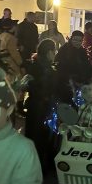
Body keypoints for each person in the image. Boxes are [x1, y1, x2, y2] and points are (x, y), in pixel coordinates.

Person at [25, 39, 57, 173]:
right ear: (49, 52)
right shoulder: (44, 67)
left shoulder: (37, 64)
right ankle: (40, 166)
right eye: (54, 51)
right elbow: (41, 86)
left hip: (36, 105)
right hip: (41, 106)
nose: (55, 53)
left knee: (35, 136)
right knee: (41, 136)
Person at [55, 30, 92, 103]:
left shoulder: (82, 51)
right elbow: (60, 66)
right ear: (71, 39)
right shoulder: (65, 49)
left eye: (80, 40)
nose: (77, 42)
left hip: (81, 82)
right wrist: (70, 80)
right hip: (67, 83)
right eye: (75, 40)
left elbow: (87, 65)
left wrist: (90, 75)